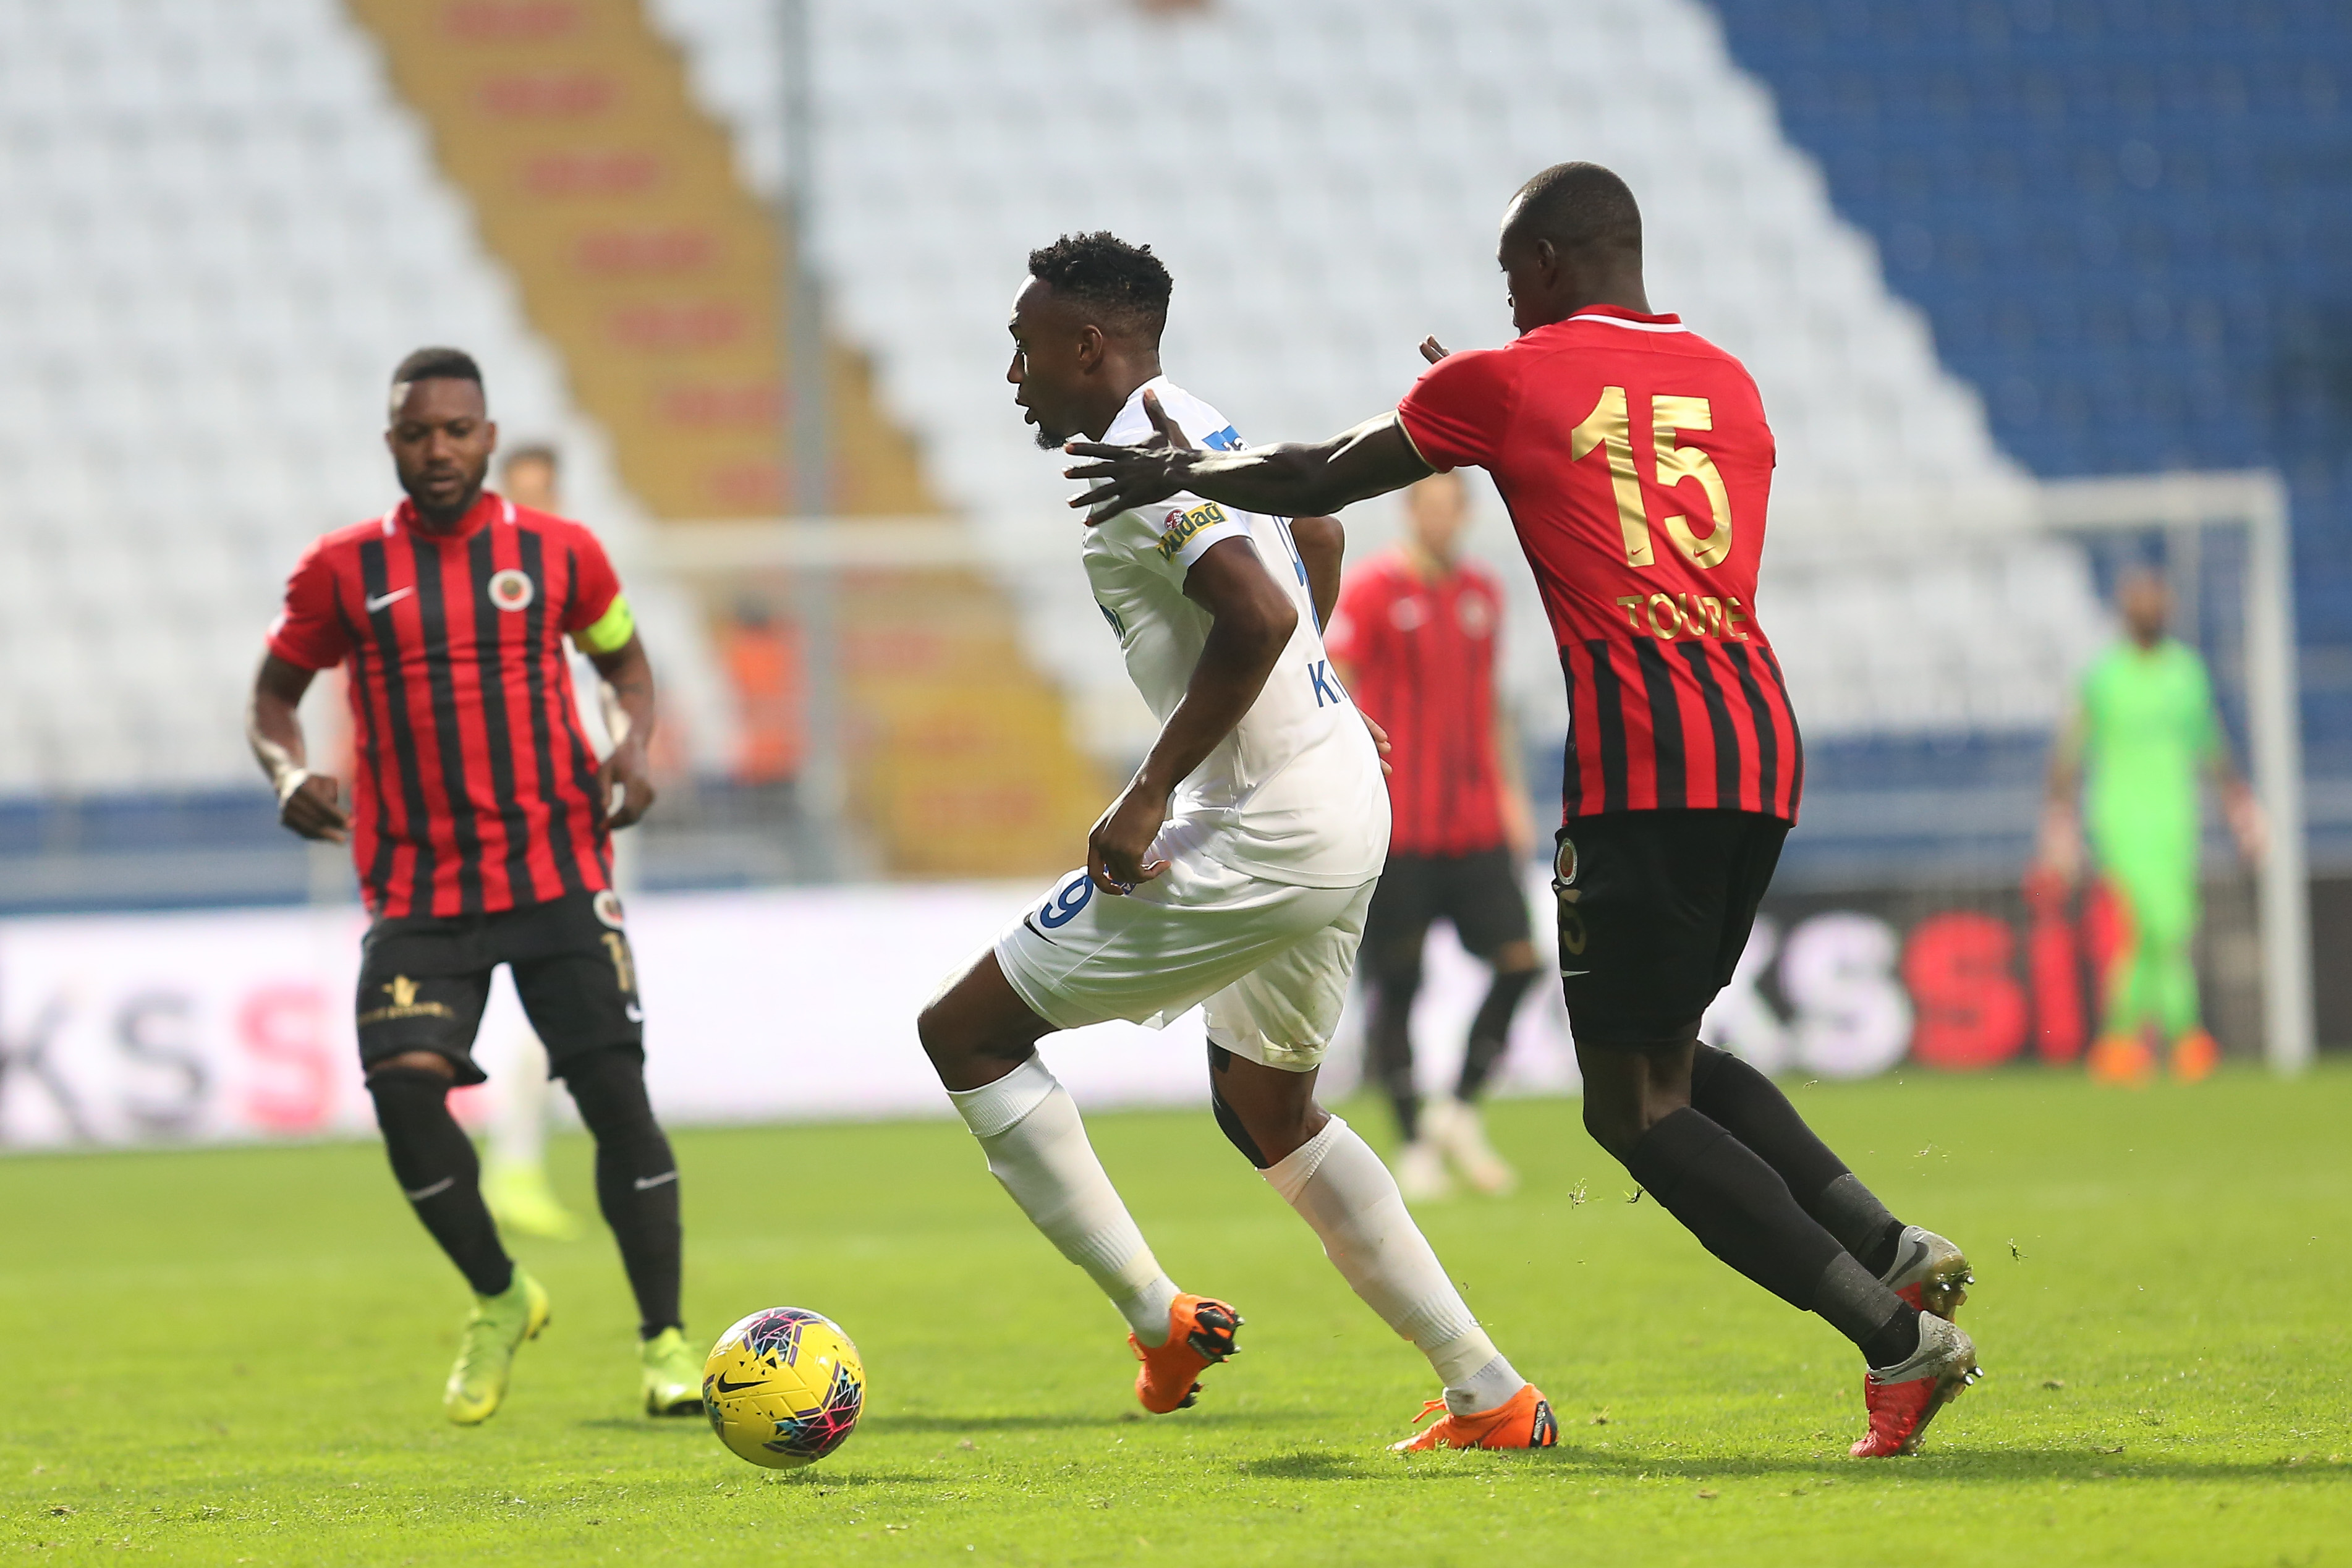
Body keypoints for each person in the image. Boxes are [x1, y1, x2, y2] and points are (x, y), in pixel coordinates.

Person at [1063, 164, 1980, 1458]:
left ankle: (1897, 1341)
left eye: (1510, 274)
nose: (1505, 299)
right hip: (1758, 741)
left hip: (1644, 762)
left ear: (1546, 260)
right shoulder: (1727, 380)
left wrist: (1190, 467)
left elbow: (1321, 475)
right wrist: (1501, 420)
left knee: (1635, 1106)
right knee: (1669, 1051)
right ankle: (1888, 1247)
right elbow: (1624, 485)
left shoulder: (1509, 379)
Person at [917, 232, 1556, 1452]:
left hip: (1267, 823)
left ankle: (1157, 1318)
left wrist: (1148, 790)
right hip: (1341, 792)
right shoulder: (1193, 419)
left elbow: (1258, 610)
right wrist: (1314, 694)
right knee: (1270, 1103)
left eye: (1024, 346)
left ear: (1087, 345)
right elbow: (1317, 536)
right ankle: (1490, 1391)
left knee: (966, 1033)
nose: (1013, 373)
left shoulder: (1139, 464)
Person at [247, 349, 702, 1425]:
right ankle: (500, 1294)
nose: (439, 449)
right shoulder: (340, 570)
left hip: (556, 867)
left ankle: (666, 1344)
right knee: (404, 1088)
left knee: (615, 1097)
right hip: (418, 885)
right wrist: (288, 773)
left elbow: (625, 665)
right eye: (418, 433)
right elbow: (273, 699)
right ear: (393, 445)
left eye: (457, 430)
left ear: (488, 438)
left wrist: (632, 741)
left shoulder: (561, 553)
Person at [1326, 469, 1540, 1200]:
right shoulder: (1372, 590)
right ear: (1410, 512)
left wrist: (1511, 795)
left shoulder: (1483, 591)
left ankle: (1459, 1109)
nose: (1441, 519)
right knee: (1399, 981)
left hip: (1474, 818)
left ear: (1466, 514)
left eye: (1452, 508)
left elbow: (1490, 702)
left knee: (1521, 962)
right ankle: (1414, 1138)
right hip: (1400, 823)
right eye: (1430, 507)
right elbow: (1333, 690)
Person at [2039, 567, 2263, 1085]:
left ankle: (2128, 1042)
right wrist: (2058, 822)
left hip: (2175, 819)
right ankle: (2176, 1035)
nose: (2148, 611)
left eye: (2155, 602)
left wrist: (2239, 806)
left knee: (2168, 930)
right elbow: (2069, 751)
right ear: (2125, 612)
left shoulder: (2185, 672)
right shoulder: (2103, 676)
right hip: (2118, 819)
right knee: (2147, 923)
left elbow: (2210, 744)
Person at [473, 444, 586, 1242]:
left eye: (546, 492)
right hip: (509, 824)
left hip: (574, 822)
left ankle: (514, 1165)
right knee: (545, 1000)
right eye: (523, 494)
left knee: (561, 1006)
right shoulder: (484, 598)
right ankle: (509, 1167)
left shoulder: (582, 586)